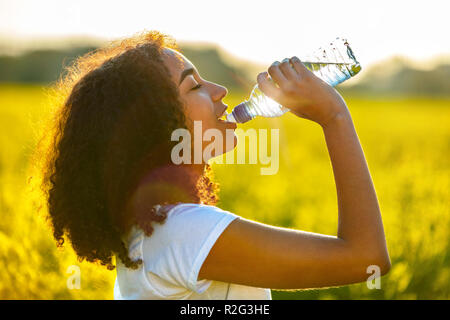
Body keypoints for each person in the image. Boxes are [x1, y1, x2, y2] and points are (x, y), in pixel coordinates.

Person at [38, 31, 390, 300]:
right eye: (194, 86)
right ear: (155, 127)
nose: (220, 89)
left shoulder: (156, 233)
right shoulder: (181, 232)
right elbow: (365, 257)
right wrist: (334, 115)